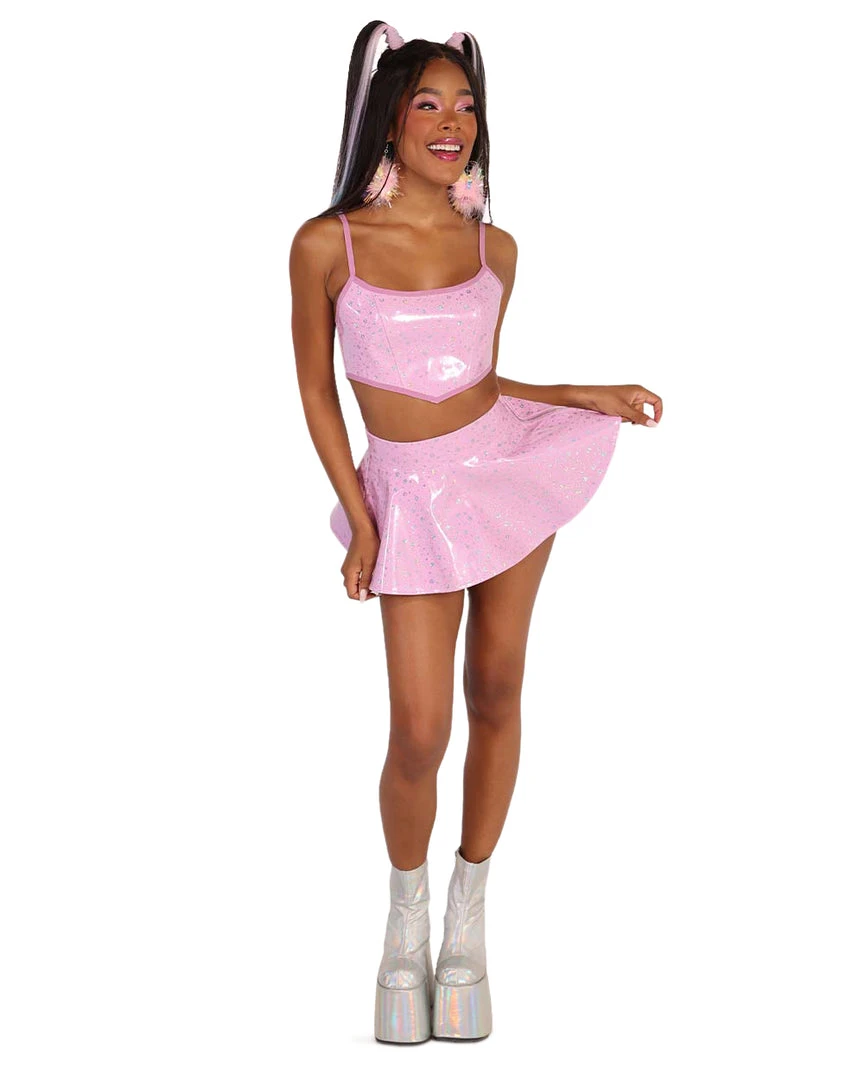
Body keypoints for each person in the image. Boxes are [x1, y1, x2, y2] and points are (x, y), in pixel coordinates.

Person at [289, 21, 662, 1044]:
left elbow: (476, 386)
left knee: (495, 689)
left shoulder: (495, 247)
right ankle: (403, 921)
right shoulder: (328, 244)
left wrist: (579, 393)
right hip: (405, 497)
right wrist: (358, 516)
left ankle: (467, 923)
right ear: (389, 120)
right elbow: (319, 392)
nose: (451, 123)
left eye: (465, 105)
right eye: (427, 104)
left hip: (502, 474)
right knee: (418, 729)